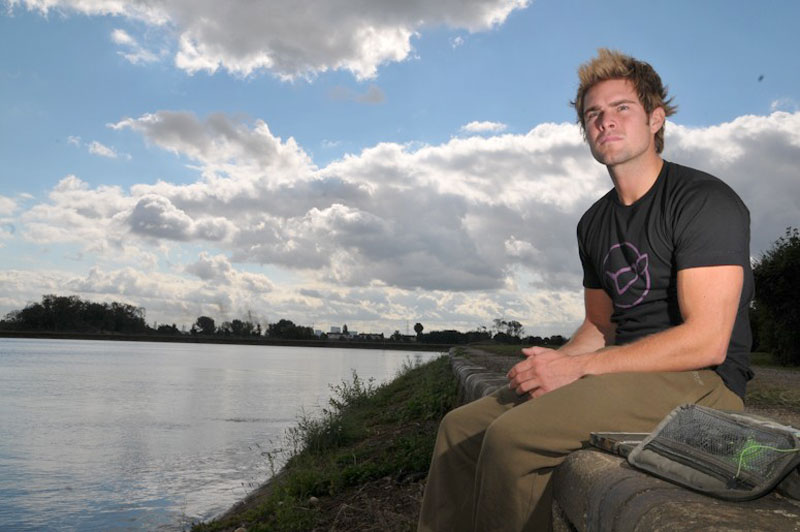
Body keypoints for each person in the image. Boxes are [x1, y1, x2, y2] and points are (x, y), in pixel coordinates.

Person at [417, 48, 754, 532]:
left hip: (704, 382)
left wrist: (577, 369)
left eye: (622, 108)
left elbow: (707, 340)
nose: (605, 121)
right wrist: (552, 364)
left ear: (656, 119)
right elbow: (600, 325)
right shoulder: (593, 221)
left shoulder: (703, 201)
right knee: (459, 429)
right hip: (622, 372)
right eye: (593, 113)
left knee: (514, 438)